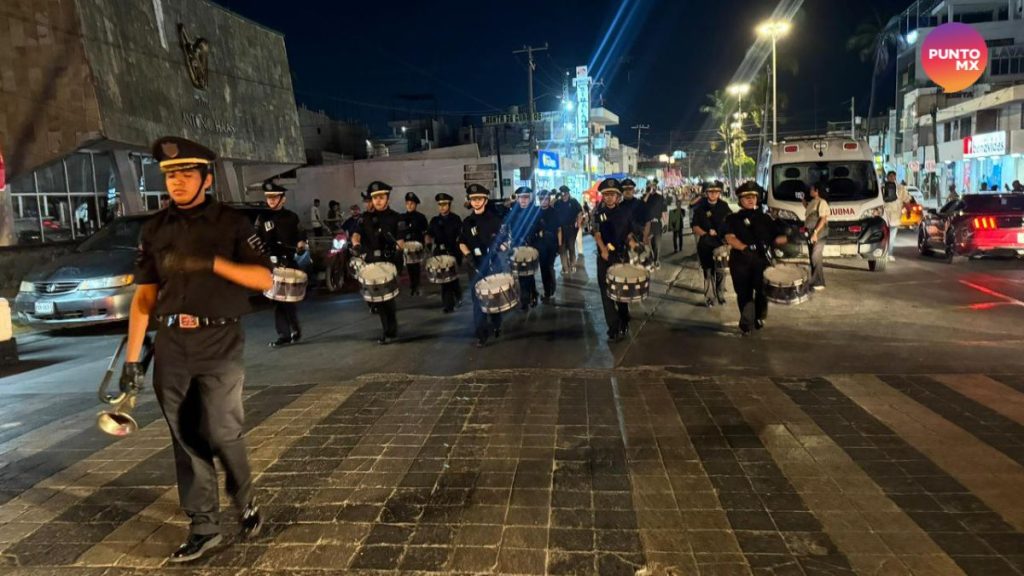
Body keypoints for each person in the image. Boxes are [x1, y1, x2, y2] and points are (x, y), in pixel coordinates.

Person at [120, 136, 270, 562]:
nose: (177, 182)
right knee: (185, 436)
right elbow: (144, 299)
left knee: (222, 431)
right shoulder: (154, 229)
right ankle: (204, 525)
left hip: (220, 340)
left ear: (207, 178)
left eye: (186, 173)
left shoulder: (232, 224)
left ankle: (245, 500)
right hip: (172, 342)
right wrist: (132, 360)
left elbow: (265, 280)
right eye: (170, 175)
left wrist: (213, 263)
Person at [724, 182, 788, 335]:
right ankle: (746, 324)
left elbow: (777, 238)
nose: (750, 200)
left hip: (761, 260)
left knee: (761, 292)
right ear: (740, 200)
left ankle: (759, 317)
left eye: (753, 197)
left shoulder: (765, 218)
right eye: (746, 197)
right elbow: (729, 238)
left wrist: (787, 236)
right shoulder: (733, 218)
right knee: (744, 293)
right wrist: (745, 248)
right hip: (741, 260)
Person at [256, 180, 307, 347]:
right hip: (271, 264)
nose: (271, 200)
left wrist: (300, 245)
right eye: (269, 197)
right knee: (278, 300)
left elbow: (300, 236)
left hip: (288, 262)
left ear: (283, 199)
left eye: (274, 197)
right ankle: (284, 334)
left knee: (288, 300)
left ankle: (294, 328)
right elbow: (256, 238)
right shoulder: (262, 217)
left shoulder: (292, 217)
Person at [351, 181, 403, 344]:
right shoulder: (364, 218)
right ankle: (388, 331)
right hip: (372, 262)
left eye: (381, 197)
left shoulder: (396, 217)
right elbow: (356, 235)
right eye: (375, 198)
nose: (378, 201)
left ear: (387, 198)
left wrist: (398, 249)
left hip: (389, 261)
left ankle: (390, 330)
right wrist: (357, 245)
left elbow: (400, 239)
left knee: (387, 299)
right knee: (379, 301)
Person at [593, 178, 642, 342]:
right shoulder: (599, 214)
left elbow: (628, 234)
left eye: (612, 194)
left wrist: (633, 244)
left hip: (621, 257)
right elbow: (597, 234)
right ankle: (613, 327)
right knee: (605, 292)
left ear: (618, 196)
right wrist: (603, 248)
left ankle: (624, 318)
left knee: (621, 292)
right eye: (606, 194)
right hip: (605, 257)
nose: (608, 197)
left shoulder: (625, 213)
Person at [459, 183, 508, 348]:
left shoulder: (495, 220)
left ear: (485, 200)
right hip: (475, 266)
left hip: (493, 264)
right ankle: (481, 334)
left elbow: (504, 241)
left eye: (479, 198)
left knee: (494, 298)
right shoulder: (467, 222)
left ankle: (496, 323)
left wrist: (504, 246)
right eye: (473, 199)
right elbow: (461, 242)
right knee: (477, 300)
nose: (476, 202)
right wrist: (467, 255)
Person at [691, 181, 732, 307]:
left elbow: (731, 223)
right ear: (707, 193)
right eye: (711, 192)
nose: (713, 194)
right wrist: (706, 233)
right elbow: (695, 227)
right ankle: (709, 297)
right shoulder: (700, 207)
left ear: (719, 193)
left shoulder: (724, 206)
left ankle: (720, 295)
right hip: (705, 244)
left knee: (721, 271)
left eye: (716, 192)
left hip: (720, 244)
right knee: (708, 272)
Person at [426, 192, 464, 313]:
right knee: (444, 280)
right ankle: (448, 305)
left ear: (449, 205)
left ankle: (458, 295)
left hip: (453, 251)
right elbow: (429, 234)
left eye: (444, 204)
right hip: (440, 253)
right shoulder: (434, 220)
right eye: (440, 205)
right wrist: (428, 244)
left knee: (453, 278)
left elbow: (461, 236)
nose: (442, 207)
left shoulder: (456, 219)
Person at [506, 187, 540, 310]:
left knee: (529, 274)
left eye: (526, 197)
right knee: (521, 275)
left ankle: (531, 295)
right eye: (521, 197)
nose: (523, 200)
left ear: (530, 198)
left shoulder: (535, 211)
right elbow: (506, 226)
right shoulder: (513, 212)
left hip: (531, 246)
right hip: (517, 247)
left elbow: (539, 227)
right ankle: (527, 299)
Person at [400, 192, 429, 296]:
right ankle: (413, 284)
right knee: (409, 267)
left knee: (416, 266)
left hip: (417, 247)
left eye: (412, 203)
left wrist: (426, 245)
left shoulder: (421, 217)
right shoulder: (401, 217)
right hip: (406, 247)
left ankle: (416, 285)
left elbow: (425, 232)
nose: (409, 205)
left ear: (416, 205)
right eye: (407, 203)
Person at [536, 190, 562, 303]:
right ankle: (547, 291)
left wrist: (560, 245)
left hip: (552, 243)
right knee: (543, 268)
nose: (543, 201)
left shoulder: (555, 212)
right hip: (540, 245)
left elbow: (559, 230)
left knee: (549, 266)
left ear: (549, 199)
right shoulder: (536, 212)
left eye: (546, 199)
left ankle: (551, 290)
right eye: (541, 199)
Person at [804, 181, 829, 291]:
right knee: (812, 256)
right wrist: (803, 202)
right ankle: (815, 281)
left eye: (812, 189)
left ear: (817, 191)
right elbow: (809, 211)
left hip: (819, 233)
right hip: (810, 232)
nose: (810, 191)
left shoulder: (822, 202)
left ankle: (819, 282)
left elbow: (823, 219)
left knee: (816, 255)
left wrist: (815, 233)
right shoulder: (813, 202)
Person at [883, 171, 910, 262]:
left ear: (895, 177)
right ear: (887, 177)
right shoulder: (882, 187)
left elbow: (907, 200)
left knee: (891, 236)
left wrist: (908, 211)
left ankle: (889, 253)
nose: (891, 177)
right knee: (886, 235)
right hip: (885, 215)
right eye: (890, 176)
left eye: (892, 176)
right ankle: (886, 253)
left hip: (894, 216)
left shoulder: (900, 188)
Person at [557, 185, 583, 274]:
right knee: (562, 249)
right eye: (562, 194)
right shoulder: (558, 203)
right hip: (560, 230)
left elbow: (580, 211)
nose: (564, 196)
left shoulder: (573, 201)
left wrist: (579, 222)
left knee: (571, 248)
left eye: (566, 194)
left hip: (571, 228)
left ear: (568, 193)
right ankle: (565, 267)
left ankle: (572, 265)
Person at [643, 180, 667, 268]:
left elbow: (664, 211)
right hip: (647, 224)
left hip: (657, 224)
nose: (652, 187)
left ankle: (656, 260)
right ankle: (650, 259)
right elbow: (642, 204)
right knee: (647, 244)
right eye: (650, 185)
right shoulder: (645, 197)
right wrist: (648, 193)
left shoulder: (660, 197)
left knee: (657, 244)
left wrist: (665, 223)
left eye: (653, 185)